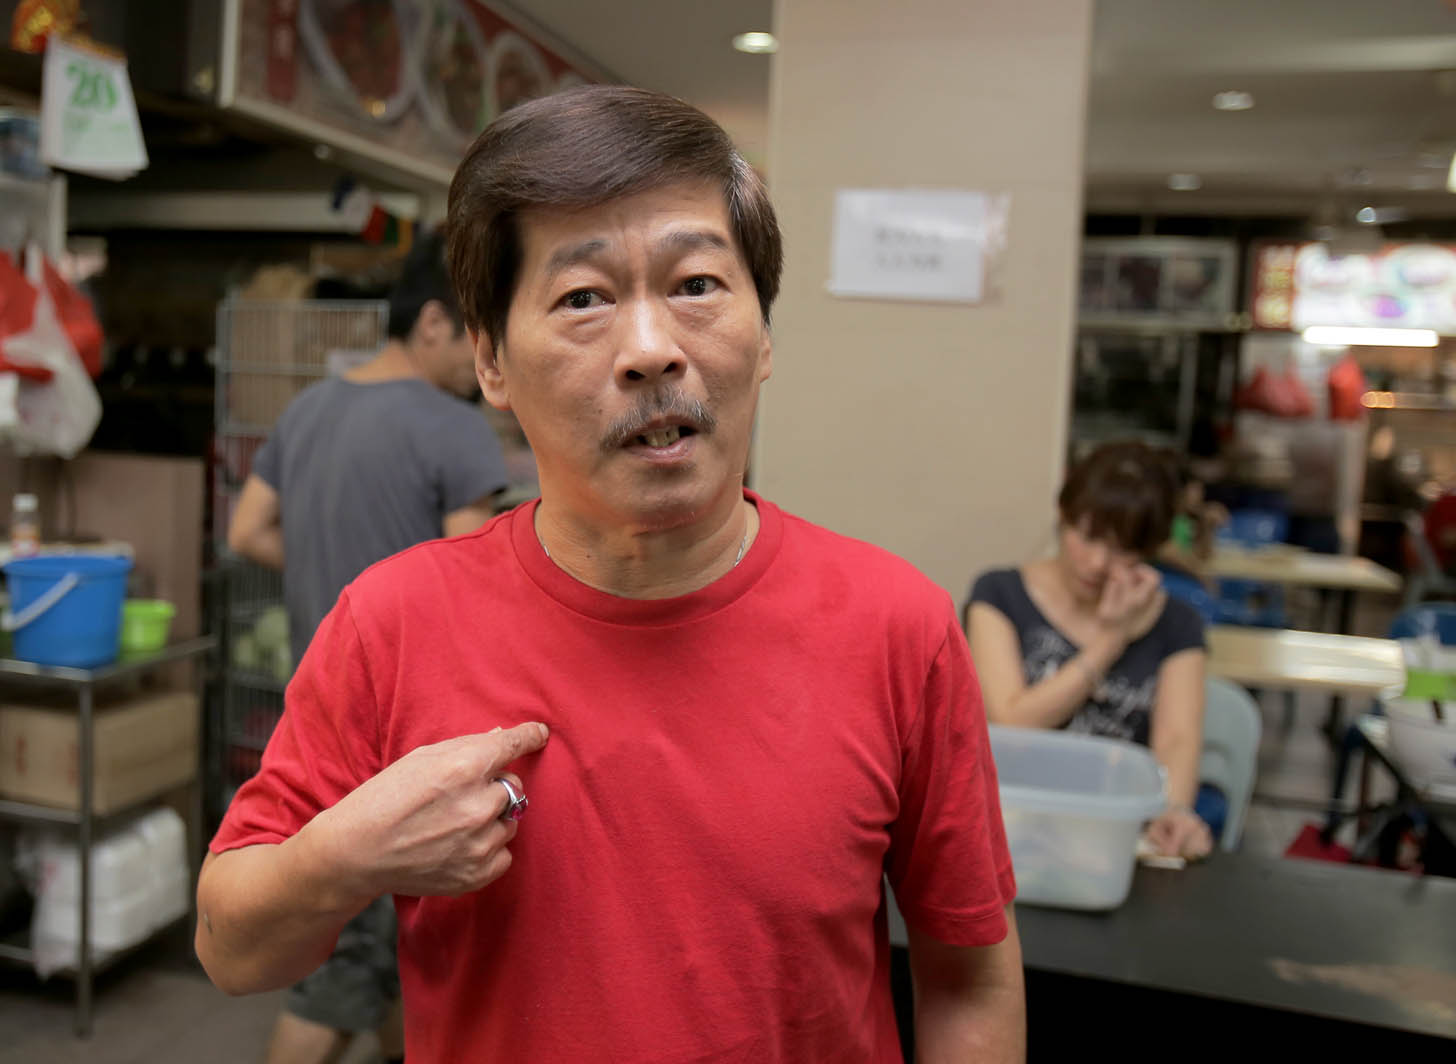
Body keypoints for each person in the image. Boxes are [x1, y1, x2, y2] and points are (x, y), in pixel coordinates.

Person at [199, 86, 1024, 1063]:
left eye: (697, 284)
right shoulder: (392, 620)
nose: (650, 350)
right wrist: (342, 857)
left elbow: (969, 974)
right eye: (583, 298)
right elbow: (232, 950)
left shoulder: (898, 625)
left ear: (764, 334)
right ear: (490, 360)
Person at [226, 230, 509, 1064]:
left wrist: (347, 587)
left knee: (387, 950)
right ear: (433, 323)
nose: (483, 365)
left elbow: (247, 531)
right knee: (346, 968)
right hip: (406, 733)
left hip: (315, 719)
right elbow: (476, 583)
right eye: (476, 336)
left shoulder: (308, 408)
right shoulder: (455, 429)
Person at [964, 441, 1216, 860]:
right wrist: (1110, 641)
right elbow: (1013, 724)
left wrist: (1173, 813)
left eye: (1123, 549)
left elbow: (1176, 740)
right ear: (1063, 517)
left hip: (1111, 839)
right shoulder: (998, 594)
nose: (1098, 563)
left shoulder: (1177, 623)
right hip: (1010, 826)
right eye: (1088, 537)